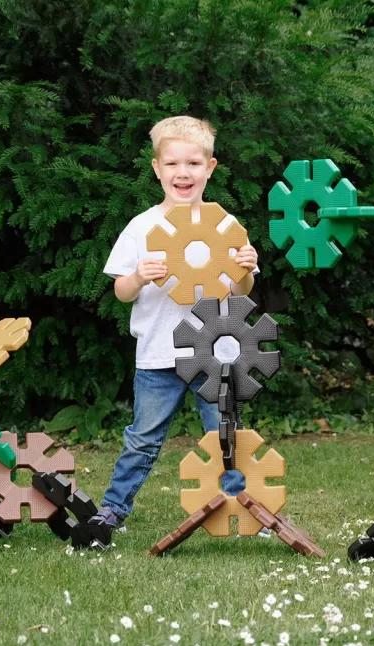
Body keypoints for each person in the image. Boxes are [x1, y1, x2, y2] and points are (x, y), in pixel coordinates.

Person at [91, 116, 260, 531]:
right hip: (157, 354)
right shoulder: (141, 227)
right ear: (156, 169)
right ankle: (113, 509)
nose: (182, 173)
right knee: (143, 438)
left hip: (216, 354)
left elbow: (241, 292)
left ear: (210, 168)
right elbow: (122, 292)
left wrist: (247, 267)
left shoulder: (224, 225)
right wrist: (139, 276)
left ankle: (241, 507)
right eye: (172, 164)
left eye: (192, 163)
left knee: (226, 436)